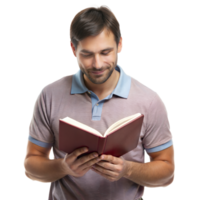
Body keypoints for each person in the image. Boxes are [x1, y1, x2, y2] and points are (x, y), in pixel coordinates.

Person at [23, 4, 175, 200]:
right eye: (87, 54)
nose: (97, 64)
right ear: (73, 49)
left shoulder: (149, 101)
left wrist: (127, 169)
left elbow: (166, 173)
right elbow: (31, 166)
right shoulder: (50, 95)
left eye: (105, 52)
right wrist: (63, 167)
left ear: (120, 45)